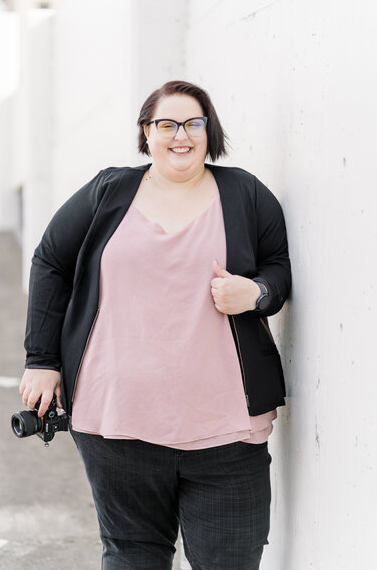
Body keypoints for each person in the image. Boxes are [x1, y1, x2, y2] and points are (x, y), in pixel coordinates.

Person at [19, 80, 291, 570]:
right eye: (166, 124)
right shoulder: (110, 190)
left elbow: (278, 267)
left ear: (210, 131)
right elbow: (51, 261)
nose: (180, 135)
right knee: (132, 556)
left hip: (226, 434)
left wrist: (255, 293)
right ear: (146, 133)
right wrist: (41, 361)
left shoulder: (245, 193)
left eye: (193, 123)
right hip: (116, 425)